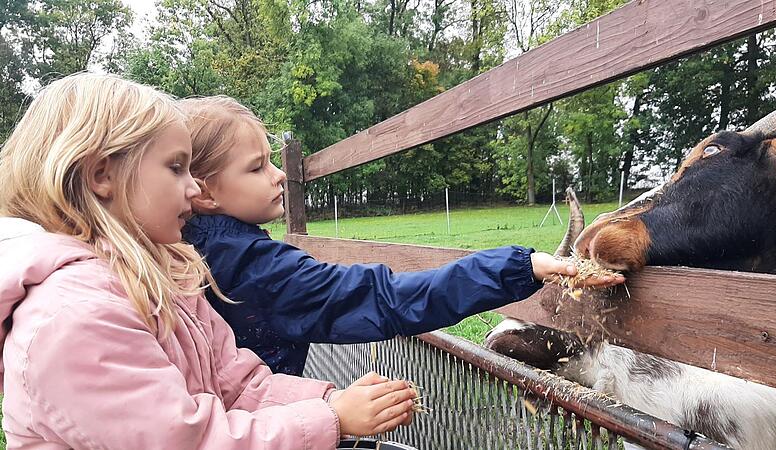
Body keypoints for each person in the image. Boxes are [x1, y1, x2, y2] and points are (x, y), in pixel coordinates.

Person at [0, 74, 415, 450]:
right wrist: (331, 419)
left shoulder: (166, 276)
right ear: (101, 176)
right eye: (176, 167)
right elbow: (187, 442)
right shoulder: (74, 316)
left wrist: (329, 400)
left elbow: (235, 381)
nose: (194, 186)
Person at [179, 96, 625, 375]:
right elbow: (385, 299)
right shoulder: (256, 268)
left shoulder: (189, 245)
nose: (279, 176)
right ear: (202, 190)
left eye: (274, 161)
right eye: (257, 167)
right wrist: (520, 266)